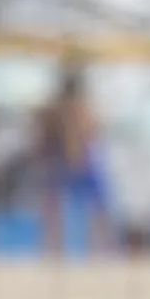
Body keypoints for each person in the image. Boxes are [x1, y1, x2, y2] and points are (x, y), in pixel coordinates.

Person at [36, 63, 115, 255]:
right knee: (93, 208)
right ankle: (92, 248)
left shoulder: (65, 110)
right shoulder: (74, 110)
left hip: (76, 161)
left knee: (93, 209)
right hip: (74, 161)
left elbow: (90, 133)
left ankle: (93, 248)